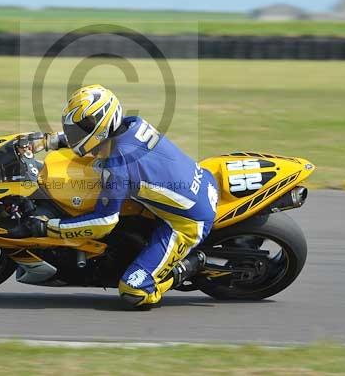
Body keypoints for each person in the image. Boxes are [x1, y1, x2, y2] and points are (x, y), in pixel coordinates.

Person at [14, 84, 218, 309]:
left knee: (134, 291)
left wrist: (48, 228)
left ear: (100, 125)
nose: (74, 135)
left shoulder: (119, 165)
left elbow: (104, 223)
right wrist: (48, 141)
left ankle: (187, 266)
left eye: (80, 128)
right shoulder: (132, 123)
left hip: (187, 221)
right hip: (200, 180)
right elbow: (92, 141)